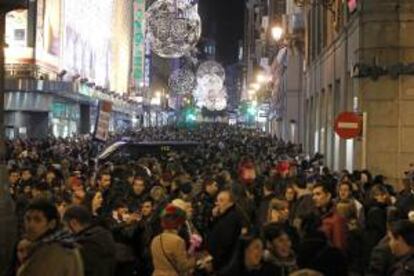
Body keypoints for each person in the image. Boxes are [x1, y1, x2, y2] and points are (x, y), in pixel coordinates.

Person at [17, 199, 83, 276]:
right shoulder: (63, 244)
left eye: (37, 220)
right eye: (28, 219)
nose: (30, 225)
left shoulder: (54, 252)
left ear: (51, 224)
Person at [63, 205, 116, 276]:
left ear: (73, 223)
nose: (66, 230)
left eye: (65, 225)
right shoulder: (104, 233)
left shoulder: (83, 244)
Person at [150, 204, 196, 276]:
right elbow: (183, 266)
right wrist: (195, 259)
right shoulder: (178, 241)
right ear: (179, 224)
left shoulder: (155, 240)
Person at [207, 190, 243, 271]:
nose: (217, 204)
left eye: (221, 200)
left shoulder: (231, 218)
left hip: (224, 264)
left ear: (231, 203)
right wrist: (214, 217)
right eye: (217, 200)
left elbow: (225, 244)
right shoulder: (223, 215)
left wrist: (214, 263)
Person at [312, 182, 348, 252]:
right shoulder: (315, 215)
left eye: (318, 194)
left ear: (328, 196)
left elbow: (339, 248)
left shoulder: (337, 219)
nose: (314, 198)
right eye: (313, 195)